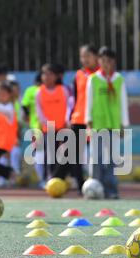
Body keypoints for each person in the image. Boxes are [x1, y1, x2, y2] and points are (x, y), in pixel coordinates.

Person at [53, 44, 99, 194]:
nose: (84, 59)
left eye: (87, 56)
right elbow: (74, 98)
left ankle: (57, 179)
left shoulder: (101, 75)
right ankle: (78, 186)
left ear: (96, 57)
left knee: (97, 155)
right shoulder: (79, 75)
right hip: (79, 118)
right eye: (82, 56)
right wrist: (69, 116)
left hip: (96, 120)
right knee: (72, 153)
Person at [85, 46, 129, 199]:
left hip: (114, 124)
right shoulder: (93, 79)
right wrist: (88, 122)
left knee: (112, 158)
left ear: (113, 62)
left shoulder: (119, 80)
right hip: (97, 124)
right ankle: (95, 188)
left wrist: (124, 124)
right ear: (99, 61)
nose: (105, 64)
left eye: (108, 61)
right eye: (102, 61)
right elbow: (88, 101)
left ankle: (111, 190)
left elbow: (123, 102)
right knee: (95, 158)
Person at [36, 63, 73, 181]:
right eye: (44, 74)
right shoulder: (39, 93)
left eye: (50, 74)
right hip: (49, 129)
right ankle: (50, 179)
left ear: (56, 76)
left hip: (64, 128)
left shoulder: (63, 90)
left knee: (65, 154)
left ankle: (63, 178)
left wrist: (67, 121)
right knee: (50, 156)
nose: (47, 77)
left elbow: (69, 107)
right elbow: (39, 112)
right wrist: (49, 125)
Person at [21, 73, 45, 188]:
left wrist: (26, 116)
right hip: (48, 126)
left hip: (35, 126)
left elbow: (24, 106)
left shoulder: (30, 90)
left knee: (39, 153)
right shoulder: (46, 90)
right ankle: (47, 178)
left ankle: (43, 179)